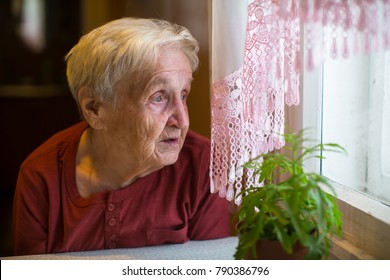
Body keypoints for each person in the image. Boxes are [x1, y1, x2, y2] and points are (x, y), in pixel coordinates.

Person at [12, 17, 231, 256]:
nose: (182, 120)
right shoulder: (42, 176)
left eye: (183, 95)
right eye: (158, 97)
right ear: (94, 108)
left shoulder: (204, 166)